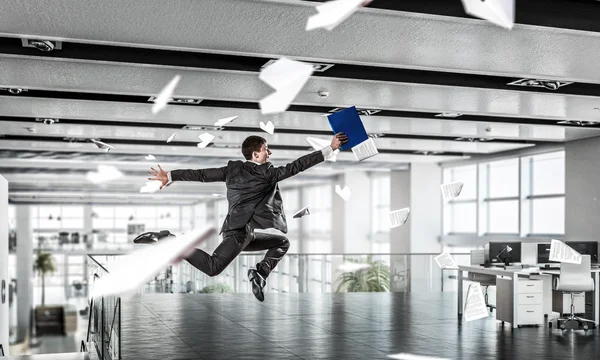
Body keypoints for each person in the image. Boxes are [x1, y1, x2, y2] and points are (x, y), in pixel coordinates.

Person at [135, 132, 348, 302]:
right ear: (256, 154)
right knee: (212, 268)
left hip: (243, 232)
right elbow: (297, 166)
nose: (269, 153)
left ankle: (260, 274)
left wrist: (171, 175)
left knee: (282, 242)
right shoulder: (268, 174)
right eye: (266, 150)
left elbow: (201, 175)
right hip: (238, 234)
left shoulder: (232, 169)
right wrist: (330, 148)